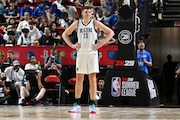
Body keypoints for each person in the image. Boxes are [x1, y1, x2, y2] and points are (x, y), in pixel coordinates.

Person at [62, 6, 114, 113]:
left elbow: (111, 33)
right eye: (86, 11)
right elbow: (64, 34)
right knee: (79, 79)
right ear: (82, 12)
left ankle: (92, 104)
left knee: (92, 78)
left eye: (89, 12)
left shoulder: (94, 23)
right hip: (81, 53)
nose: (87, 13)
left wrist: (101, 44)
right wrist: (72, 45)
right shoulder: (77, 23)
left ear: (91, 13)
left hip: (92, 52)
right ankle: (77, 104)